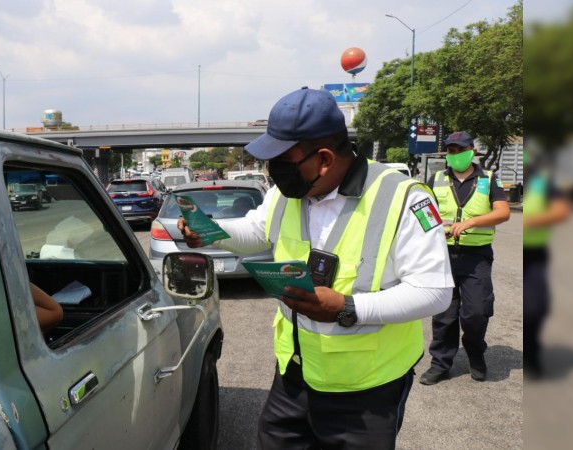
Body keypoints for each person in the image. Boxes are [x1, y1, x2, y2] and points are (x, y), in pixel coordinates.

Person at [178, 87, 453, 449]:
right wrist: (212, 232)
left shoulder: (403, 198)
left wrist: (347, 308)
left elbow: (434, 291)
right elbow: (258, 231)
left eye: (282, 160)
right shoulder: (288, 191)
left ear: (323, 159)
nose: (273, 171)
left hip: (365, 389)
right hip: (296, 372)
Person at [419, 131, 511, 385]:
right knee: (444, 315)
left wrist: (470, 222)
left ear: (473, 150)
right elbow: (421, 211)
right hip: (442, 254)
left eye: (460, 149)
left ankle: (475, 353)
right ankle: (440, 364)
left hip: (476, 257)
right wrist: (435, 225)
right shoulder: (436, 179)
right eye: (451, 150)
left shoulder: (488, 179)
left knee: (476, 313)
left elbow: (503, 212)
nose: (456, 155)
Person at [522, 150, 570, 379]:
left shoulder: (543, 183)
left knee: (535, 307)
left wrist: (533, 221)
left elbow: (561, 211)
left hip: (534, 254)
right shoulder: (496, 181)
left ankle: (531, 354)